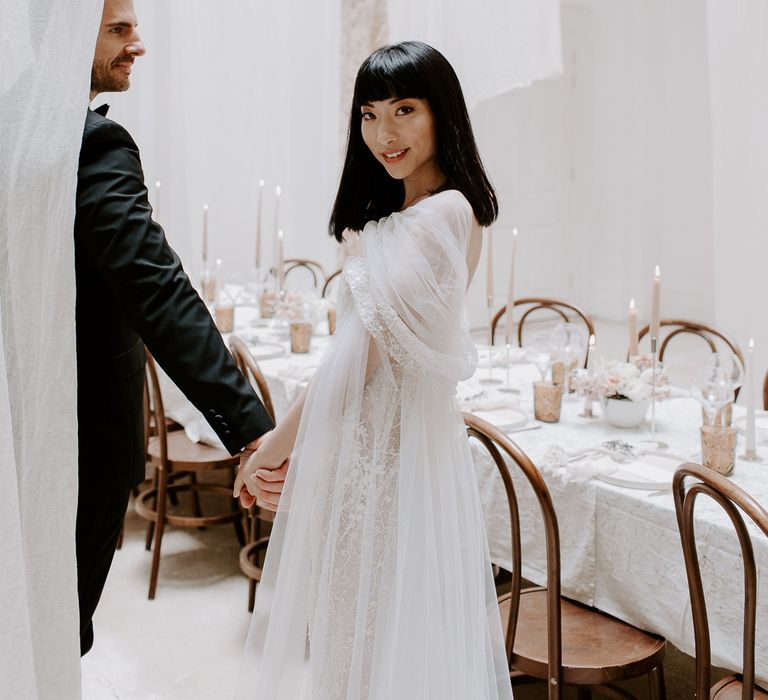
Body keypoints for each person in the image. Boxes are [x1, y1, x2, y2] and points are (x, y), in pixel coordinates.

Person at [234, 41, 513, 698]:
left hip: (391, 463)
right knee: (368, 634)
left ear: (442, 113)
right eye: (369, 114)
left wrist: (278, 441)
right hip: (383, 450)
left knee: (373, 637)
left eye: (405, 111)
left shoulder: (441, 212)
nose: (384, 134)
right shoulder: (420, 214)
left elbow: (361, 355)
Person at [75, 0, 274, 655]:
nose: (138, 45)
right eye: (120, 29)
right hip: (79, 440)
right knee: (58, 627)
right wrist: (250, 426)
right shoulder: (92, 143)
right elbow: (156, 288)